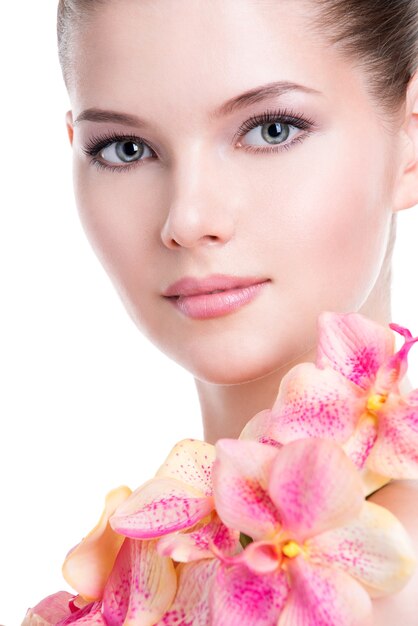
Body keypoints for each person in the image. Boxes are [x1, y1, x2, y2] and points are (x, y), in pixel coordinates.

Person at [54, 0, 418, 622]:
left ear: (410, 139)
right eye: (125, 148)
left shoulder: (390, 586)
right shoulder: (150, 566)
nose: (187, 220)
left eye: (271, 128)